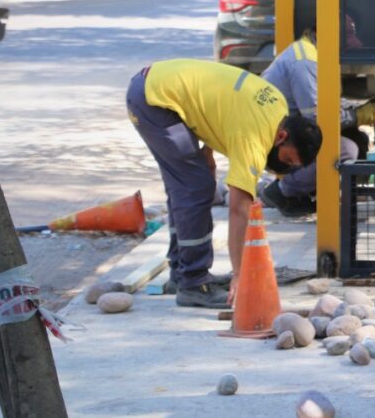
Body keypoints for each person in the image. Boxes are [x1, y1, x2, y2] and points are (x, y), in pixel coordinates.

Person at [126, 59, 322, 308]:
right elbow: (239, 209)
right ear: (281, 137)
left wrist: (207, 152)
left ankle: (182, 272)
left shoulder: (277, 107)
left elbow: (224, 105)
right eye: (287, 160)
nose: (284, 168)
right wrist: (239, 275)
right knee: (195, 188)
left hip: (156, 87)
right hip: (155, 100)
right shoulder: (254, 137)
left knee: (185, 186)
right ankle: (193, 283)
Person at [259, 31, 363, 217]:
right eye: (349, 35)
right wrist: (359, 116)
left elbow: (329, 103)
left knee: (358, 137)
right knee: (346, 149)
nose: (352, 42)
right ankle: (283, 191)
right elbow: (319, 119)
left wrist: (359, 109)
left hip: (285, 136)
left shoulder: (313, 54)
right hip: (277, 147)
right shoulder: (304, 63)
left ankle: (305, 189)